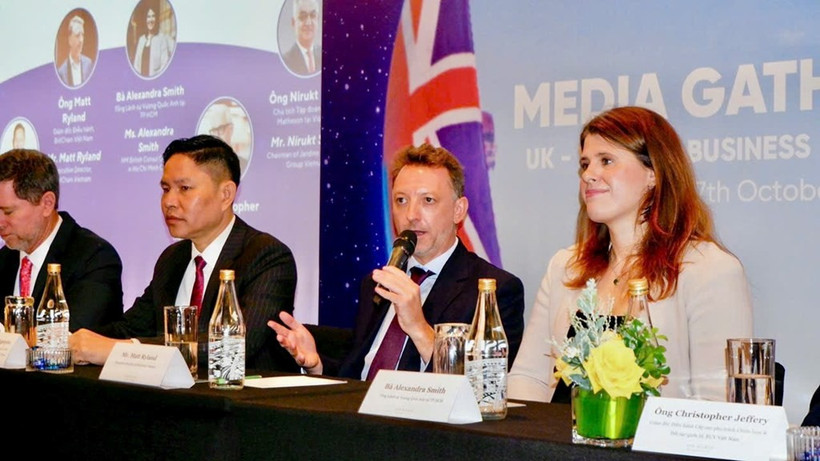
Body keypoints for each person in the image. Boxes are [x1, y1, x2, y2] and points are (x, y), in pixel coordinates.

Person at [508, 106, 753, 403]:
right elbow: (527, 377)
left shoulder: (710, 269)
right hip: (560, 445)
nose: (589, 175)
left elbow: (719, 403)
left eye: (606, 161)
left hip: (661, 448)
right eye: (585, 164)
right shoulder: (565, 268)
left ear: (653, 173)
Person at [269, 143, 525, 379]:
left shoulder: (494, 291)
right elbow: (361, 374)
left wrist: (418, 327)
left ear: (459, 210)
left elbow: (481, 384)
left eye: (428, 201)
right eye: (401, 201)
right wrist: (317, 365)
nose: (411, 216)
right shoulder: (377, 282)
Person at [69, 135, 299, 372]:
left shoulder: (266, 256)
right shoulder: (173, 258)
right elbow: (132, 328)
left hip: (241, 403)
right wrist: (70, 340)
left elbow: (234, 347)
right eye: (166, 189)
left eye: (185, 189)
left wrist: (121, 351)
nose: (169, 201)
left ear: (226, 195)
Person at [0, 149, 123, 331]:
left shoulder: (94, 258)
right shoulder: (4, 259)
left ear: (47, 204)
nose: (1, 222)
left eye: (8, 212)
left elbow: (70, 337)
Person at [132, 2, 174, 77]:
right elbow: (136, 66)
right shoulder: (141, 40)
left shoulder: (161, 39)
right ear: (145, 19)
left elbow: (164, 64)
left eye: (153, 16)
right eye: (148, 17)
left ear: (156, 18)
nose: (150, 20)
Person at [282, 0, 321, 76]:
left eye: (313, 16)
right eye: (303, 16)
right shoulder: (287, 60)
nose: (308, 22)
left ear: (318, 20)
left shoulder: (324, 55)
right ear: (293, 22)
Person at [57, 15, 94, 87]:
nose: (81, 40)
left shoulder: (89, 64)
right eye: (77, 35)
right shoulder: (62, 72)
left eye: (82, 35)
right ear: (69, 40)